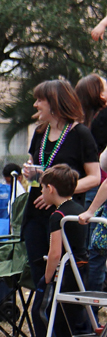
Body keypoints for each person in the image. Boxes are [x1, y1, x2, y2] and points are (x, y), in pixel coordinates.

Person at [22, 79, 99, 337]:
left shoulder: (80, 134)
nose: (35, 105)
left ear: (53, 102)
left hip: (65, 215)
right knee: (41, 277)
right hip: (35, 212)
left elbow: (94, 176)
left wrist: (62, 190)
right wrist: (30, 173)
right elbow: (34, 170)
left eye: (39, 100)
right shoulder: (40, 132)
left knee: (68, 277)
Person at [31, 165, 87, 337]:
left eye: (42, 188)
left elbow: (55, 253)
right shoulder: (79, 210)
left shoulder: (58, 215)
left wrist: (47, 278)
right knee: (62, 314)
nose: (41, 192)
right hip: (80, 270)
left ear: (51, 189)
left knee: (41, 310)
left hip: (63, 273)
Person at [74, 74, 107, 294]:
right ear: (99, 93)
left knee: (90, 250)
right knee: (96, 251)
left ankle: (87, 309)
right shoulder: (103, 117)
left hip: (89, 188)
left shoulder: (81, 122)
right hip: (100, 186)